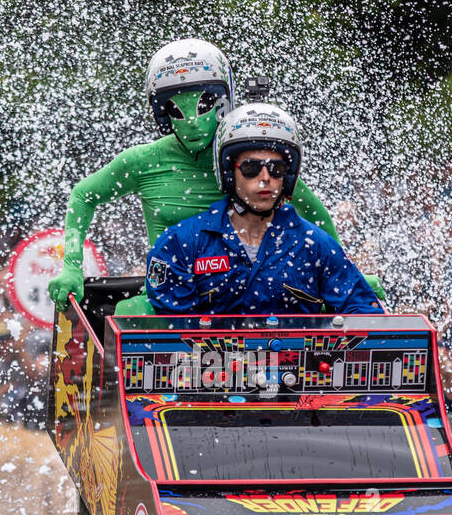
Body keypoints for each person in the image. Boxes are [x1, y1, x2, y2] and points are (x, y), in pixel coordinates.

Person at [48, 40, 339, 306]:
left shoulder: (250, 158)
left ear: (223, 104)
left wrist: (342, 273)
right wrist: (72, 266)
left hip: (253, 294)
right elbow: (84, 195)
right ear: (162, 114)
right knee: (130, 313)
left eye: (203, 106)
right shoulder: (143, 161)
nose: (191, 122)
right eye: (176, 110)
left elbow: (313, 212)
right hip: (171, 297)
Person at [144, 103, 382, 316]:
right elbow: (174, 333)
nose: (265, 178)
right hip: (208, 364)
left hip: (297, 363)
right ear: (229, 173)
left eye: (276, 169)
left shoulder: (315, 245)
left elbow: (362, 309)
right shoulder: (180, 243)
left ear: (286, 178)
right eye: (251, 168)